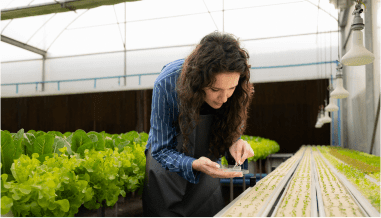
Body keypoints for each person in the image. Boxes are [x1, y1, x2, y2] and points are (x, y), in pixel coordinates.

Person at [142, 31, 255, 217]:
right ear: (199, 80)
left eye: (231, 88)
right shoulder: (168, 82)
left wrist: (235, 142)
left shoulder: (237, 91)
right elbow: (161, 149)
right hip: (166, 171)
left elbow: (230, 130)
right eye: (215, 89)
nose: (225, 98)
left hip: (206, 171)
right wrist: (193, 164)